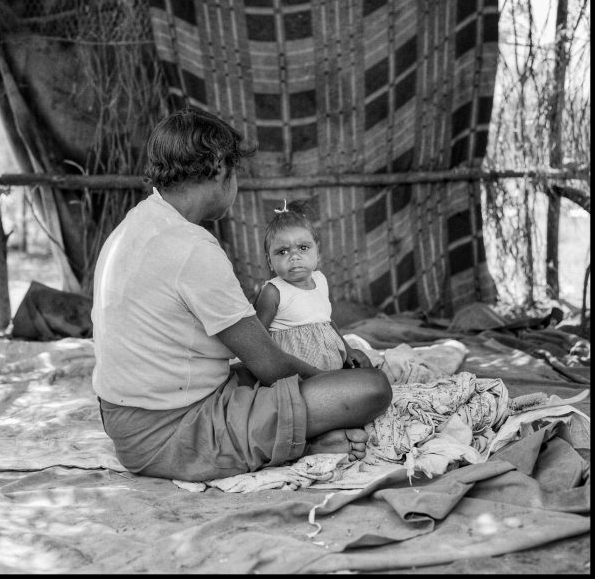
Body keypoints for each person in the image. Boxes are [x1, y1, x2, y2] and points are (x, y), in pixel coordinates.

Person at [91, 108, 392, 482]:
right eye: (235, 174)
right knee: (370, 388)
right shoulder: (192, 248)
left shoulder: (136, 223)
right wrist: (330, 379)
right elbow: (269, 364)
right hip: (168, 432)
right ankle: (304, 440)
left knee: (258, 377)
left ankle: (300, 437)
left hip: (131, 418)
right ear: (219, 169)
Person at [255, 200, 373, 371]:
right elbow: (258, 338)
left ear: (317, 253)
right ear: (270, 261)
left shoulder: (320, 280)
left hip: (331, 367)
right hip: (298, 374)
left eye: (303, 248)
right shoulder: (274, 292)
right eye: (283, 251)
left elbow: (326, 320)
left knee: (372, 378)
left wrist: (348, 350)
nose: (294, 256)